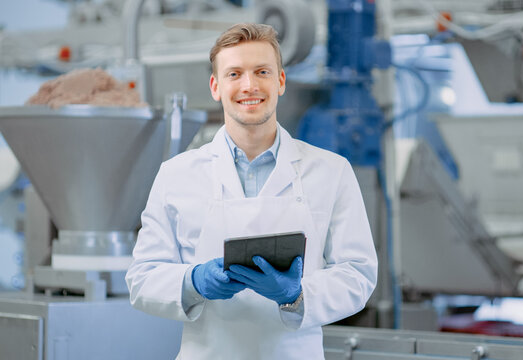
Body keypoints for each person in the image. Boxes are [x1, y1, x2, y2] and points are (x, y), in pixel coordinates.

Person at [125, 23, 378, 360]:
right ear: (216, 86)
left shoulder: (331, 171)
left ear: (280, 81)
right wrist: (194, 282)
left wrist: (297, 294)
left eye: (262, 71)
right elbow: (142, 278)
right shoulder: (176, 175)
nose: (249, 85)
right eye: (234, 74)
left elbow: (358, 274)